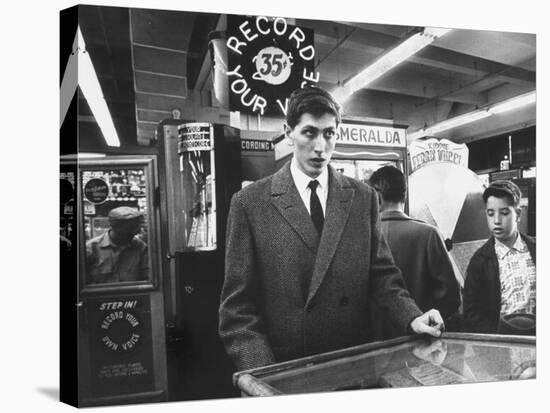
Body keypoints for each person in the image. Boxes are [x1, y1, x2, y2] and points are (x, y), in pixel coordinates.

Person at [218, 86, 445, 372]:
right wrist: (264, 374)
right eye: (310, 132)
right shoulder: (251, 204)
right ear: (289, 133)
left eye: (329, 133)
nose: (321, 147)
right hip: (288, 371)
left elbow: (383, 276)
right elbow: (237, 312)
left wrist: (412, 317)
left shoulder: (363, 198)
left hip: (353, 365)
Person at [369, 165, 460, 338]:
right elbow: (451, 297)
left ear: (377, 197)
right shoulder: (428, 234)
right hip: (421, 339)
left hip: (374, 345)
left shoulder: (362, 235)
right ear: (405, 194)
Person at [463, 180, 536, 334]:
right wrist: (495, 334)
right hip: (502, 341)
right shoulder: (480, 260)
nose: (496, 221)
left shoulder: (536, 249)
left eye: (503, 213)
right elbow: (471, 312)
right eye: (491, 214)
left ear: (518, 214)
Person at [86, 206, 149, 284]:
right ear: (115, 227)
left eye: (137, 227)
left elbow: (146, 279)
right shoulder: (90, 249)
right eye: (131, 228)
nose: (136, 232)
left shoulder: (141, 247)